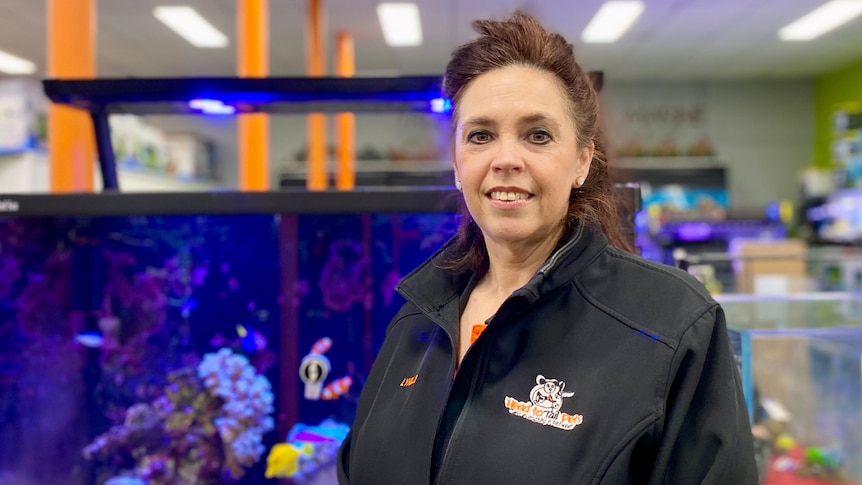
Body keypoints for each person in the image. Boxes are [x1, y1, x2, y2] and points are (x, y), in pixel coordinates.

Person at [337, 11, 757, 485]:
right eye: (480, 136)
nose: (506, 160)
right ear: (457, 163)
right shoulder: (420, 312)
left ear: (581, 160)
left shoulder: (673, 323)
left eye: (538, 135)